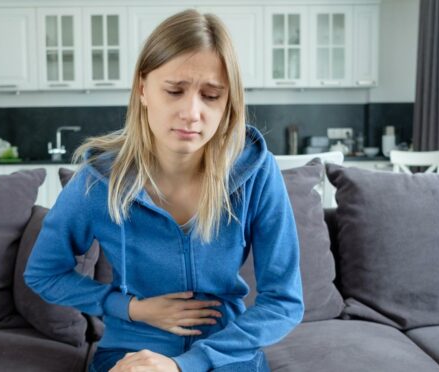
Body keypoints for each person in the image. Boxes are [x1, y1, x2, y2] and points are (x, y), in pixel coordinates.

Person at [24, 9, 304, 372]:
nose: (191, 112)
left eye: (211, 96)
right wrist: (129, 308)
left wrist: (185, 364)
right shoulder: (98, 178)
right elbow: (44, 272)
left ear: (228, 103)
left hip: (226, 355)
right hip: (131, 351)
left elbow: (284, 301)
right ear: (143, 89)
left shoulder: (256, 172)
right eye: (174, 91)